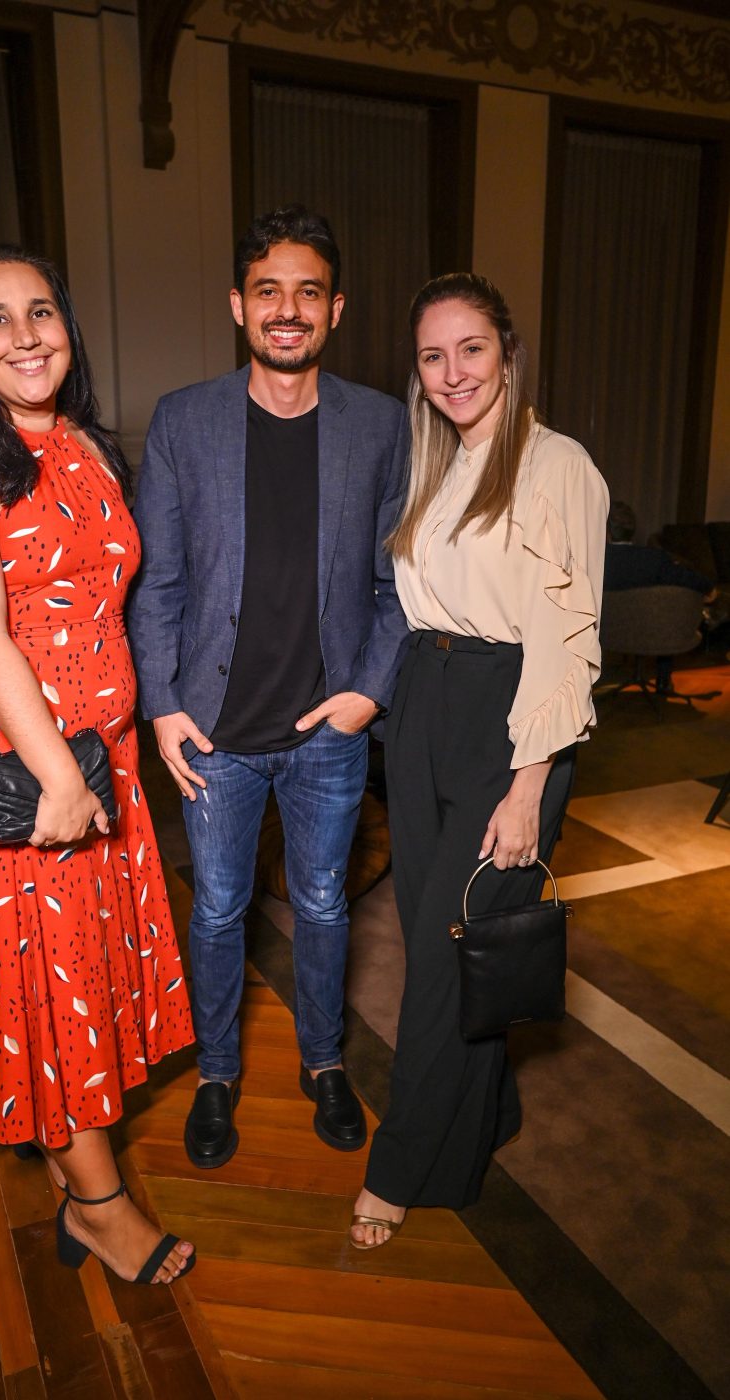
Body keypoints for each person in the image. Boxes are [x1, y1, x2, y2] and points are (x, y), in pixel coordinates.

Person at [0, 245, 195, 1285]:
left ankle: (82, 1185)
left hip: (95, 755)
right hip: (13, 764)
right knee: (43, 985)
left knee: (79, 977)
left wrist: (123, 740)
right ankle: (102, 1207)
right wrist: (61, 780)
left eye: (42, 312)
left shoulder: (79, 442)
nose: (26, 333)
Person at [127, 206, 409, 1169]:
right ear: (236, 305)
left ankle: (325, 1063)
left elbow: (396, 583)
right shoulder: (182, 419)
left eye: (307, 291)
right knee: (215, 911)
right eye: (267, 290)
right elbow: (156, 582)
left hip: (328, 731)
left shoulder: (380, 424)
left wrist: (368, 692)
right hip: (212, 733)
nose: (286, 310)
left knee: (326, 906)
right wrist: (161, 705)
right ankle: (217, 1075)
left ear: (336, 308)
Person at [350, 273, 609, 1247]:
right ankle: (485, 1114)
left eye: (470, 348)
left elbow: (567, 636)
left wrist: (531, 781)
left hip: (510, 725)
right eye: (432, 354)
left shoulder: (557, 468)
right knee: (440, 942)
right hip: (426, 707)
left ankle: (403, 1163)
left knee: (443, 958)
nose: (453, 371)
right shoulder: (437, 463)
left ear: (506, 351)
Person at [604, 500, 719, 692]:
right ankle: (663, 680)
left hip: (608, 634)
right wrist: (709, 590)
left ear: (606, 531)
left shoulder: (594, 559)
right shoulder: (653, 559)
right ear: (632, 529)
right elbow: (689, 578)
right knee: (669, 607)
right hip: (654, 634)